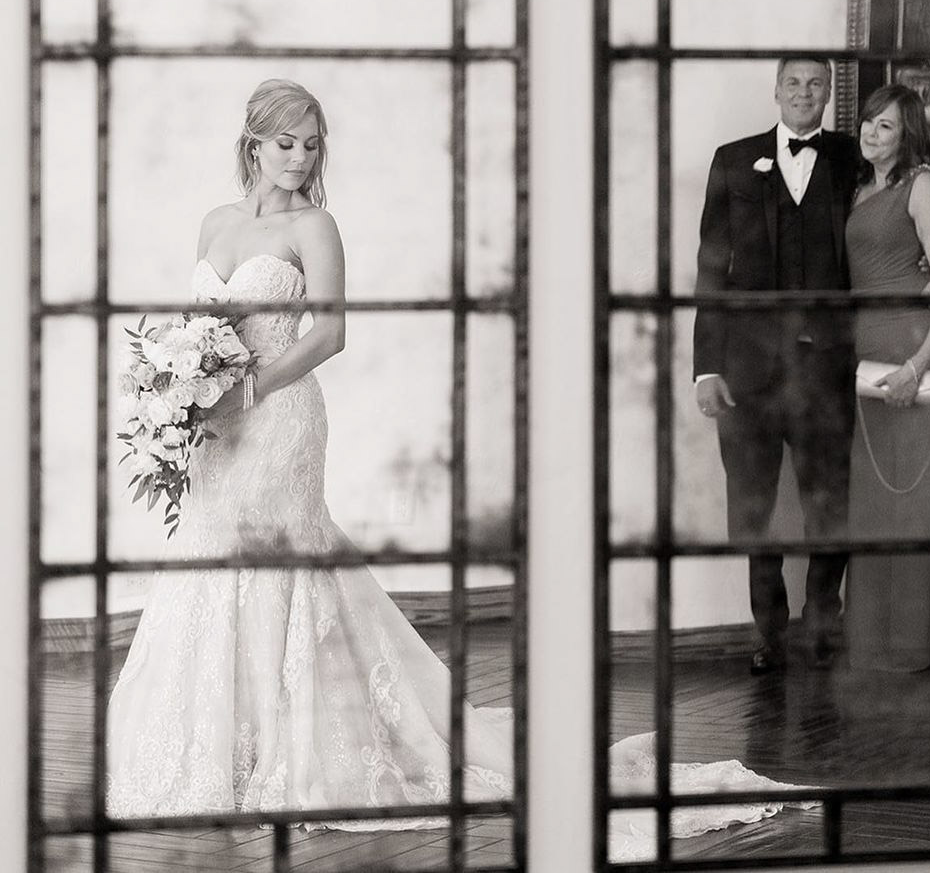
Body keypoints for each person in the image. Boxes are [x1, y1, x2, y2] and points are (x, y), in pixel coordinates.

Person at [107, 78, 811, 851]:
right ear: (252, 141)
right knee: (208, 557)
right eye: (285, 143)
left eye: (311, 144)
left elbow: (331, 333)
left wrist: (247, 388)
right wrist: (178, 389)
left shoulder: (318, 224)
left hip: (277, 417)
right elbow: (196, 326)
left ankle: (287, 751)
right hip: (215, 426)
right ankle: (214, 751)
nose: (300, 158)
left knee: (279, 566)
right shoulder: (214, 221)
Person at [693, 58, 860, 674]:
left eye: (816, 84)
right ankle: (769, 633)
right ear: (776, 92)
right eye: (793, 83)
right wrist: (706, 366)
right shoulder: (733, 159)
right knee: (752, 508)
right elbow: (711, 267)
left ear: (828, 95)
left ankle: (821, 627)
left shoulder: (850, 157)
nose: (804, 93)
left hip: (827, 368)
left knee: (830, 504)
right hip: (746, 372)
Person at [844, 84, 930, 672]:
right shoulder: (858, 190)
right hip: (866, 357)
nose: (873, 135)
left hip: (909, 355)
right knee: (877, 504)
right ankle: (875, 642)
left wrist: (915, 366)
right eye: (869, 124)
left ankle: (918, 645)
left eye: (887, 128)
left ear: (909, 137)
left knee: (916, 502)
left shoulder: (921, 185)